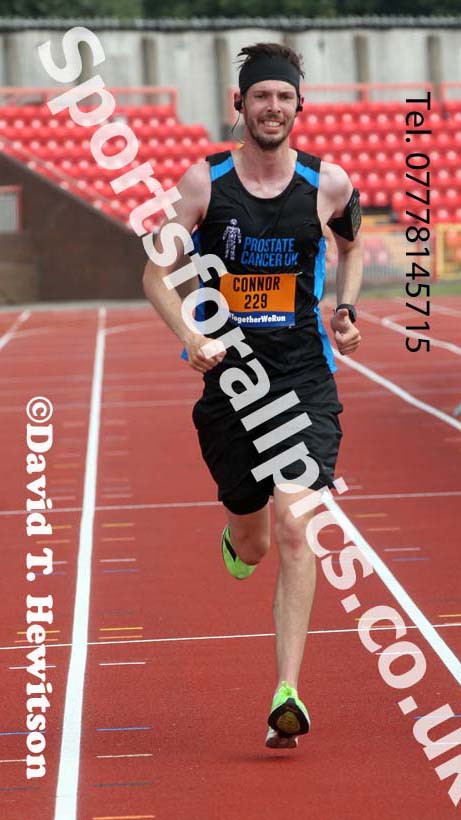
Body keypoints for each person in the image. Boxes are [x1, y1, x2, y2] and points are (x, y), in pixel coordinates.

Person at [143, 42, 363, 749]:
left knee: (300, 527)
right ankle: (240, 536)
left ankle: (285, 693)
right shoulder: (202, 185)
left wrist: (345, 309)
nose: (273, 107)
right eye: (260, 96)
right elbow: (153, 273)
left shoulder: (327, 185)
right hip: (231, 385)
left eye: (284, 97)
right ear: (238, 104)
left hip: (304, 376)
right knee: (255, 534)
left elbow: (351, 244)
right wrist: (190, 333)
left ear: (300, 108)